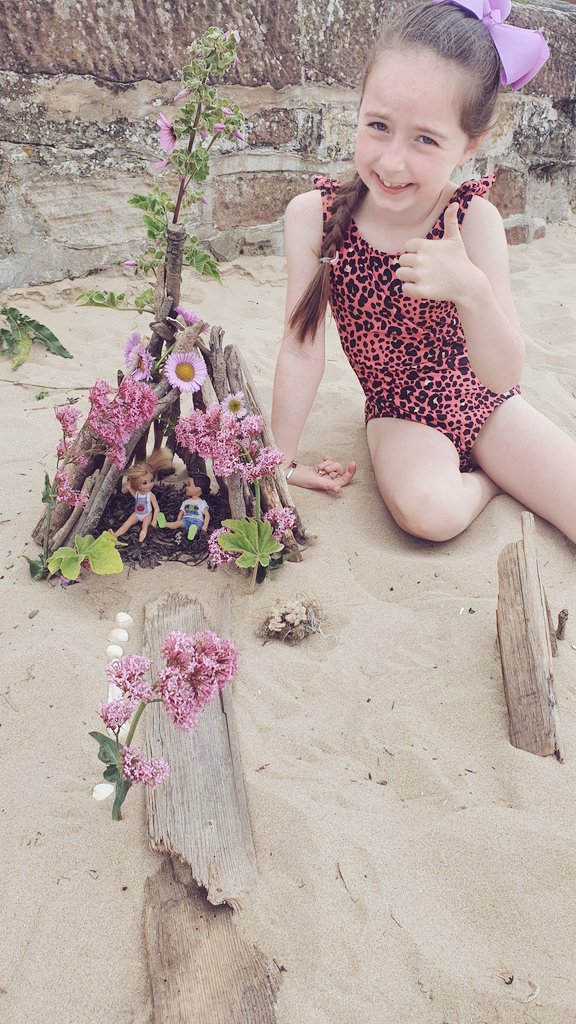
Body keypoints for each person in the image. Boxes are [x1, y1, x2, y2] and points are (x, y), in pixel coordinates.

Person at [271, 0, 576, 543]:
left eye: (426, 139)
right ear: (358, 109)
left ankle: (500, 464)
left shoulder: (472, 220)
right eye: (379, 126)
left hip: (484, 397)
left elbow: (504, 375)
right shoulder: (312, 218)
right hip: (400, 406)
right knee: (429, 514)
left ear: (470, 144)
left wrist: (470, 290)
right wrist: (280, 461)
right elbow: (301, 347)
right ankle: (488, 482)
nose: (392, 162)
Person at [113, 448, 173, 542]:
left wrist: (154, 519)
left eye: (151, 481)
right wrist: (130, 481)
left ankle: (142, 535)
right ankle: (114, 535)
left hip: (147, 514)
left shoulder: (150, 495)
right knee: (127, 523)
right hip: (137, 514)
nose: (150, 484)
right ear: (137, 485)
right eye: (145, 483)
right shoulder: (137, 494)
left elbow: (156, 508)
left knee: (144, 526)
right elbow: (129, 488)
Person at [157, 474, 211, 540]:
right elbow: (181, 513)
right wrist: (178, 521)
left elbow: (207, 515)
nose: (186, 487)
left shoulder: (202, 502)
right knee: (178, 523)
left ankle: (192, 533)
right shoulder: (186, 502)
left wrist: (205, 526)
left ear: (198, 489)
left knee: (195, 527)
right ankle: (164, 524)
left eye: (189, 485)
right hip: (186, 520)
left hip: (197, 521)